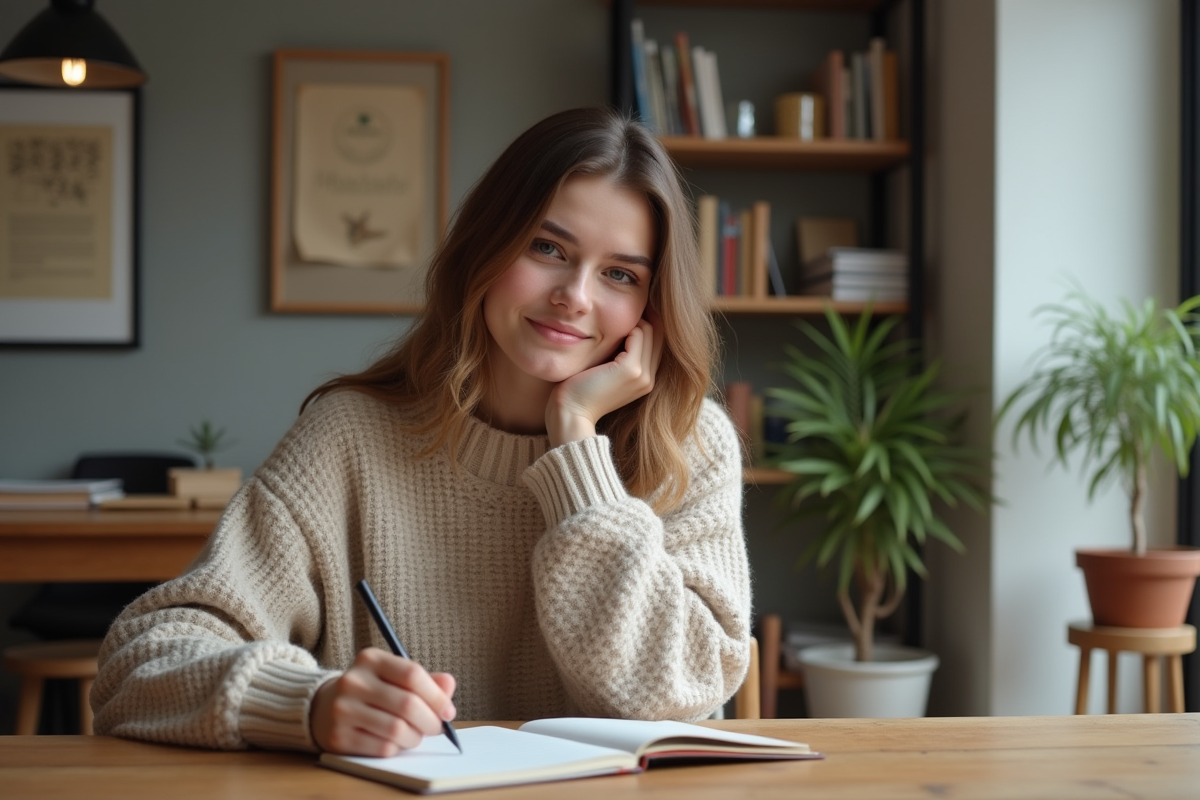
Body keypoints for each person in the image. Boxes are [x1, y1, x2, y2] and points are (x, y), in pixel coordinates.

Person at [92, 106, 751, 756]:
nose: (575, 296)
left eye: (620, 275)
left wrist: (576, 444)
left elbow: (681, 692)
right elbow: (140, 664)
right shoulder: (350, 439)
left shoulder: (688, 447)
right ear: (487, 247)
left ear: (650, 305)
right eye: (547, 247)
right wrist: (306, 704)